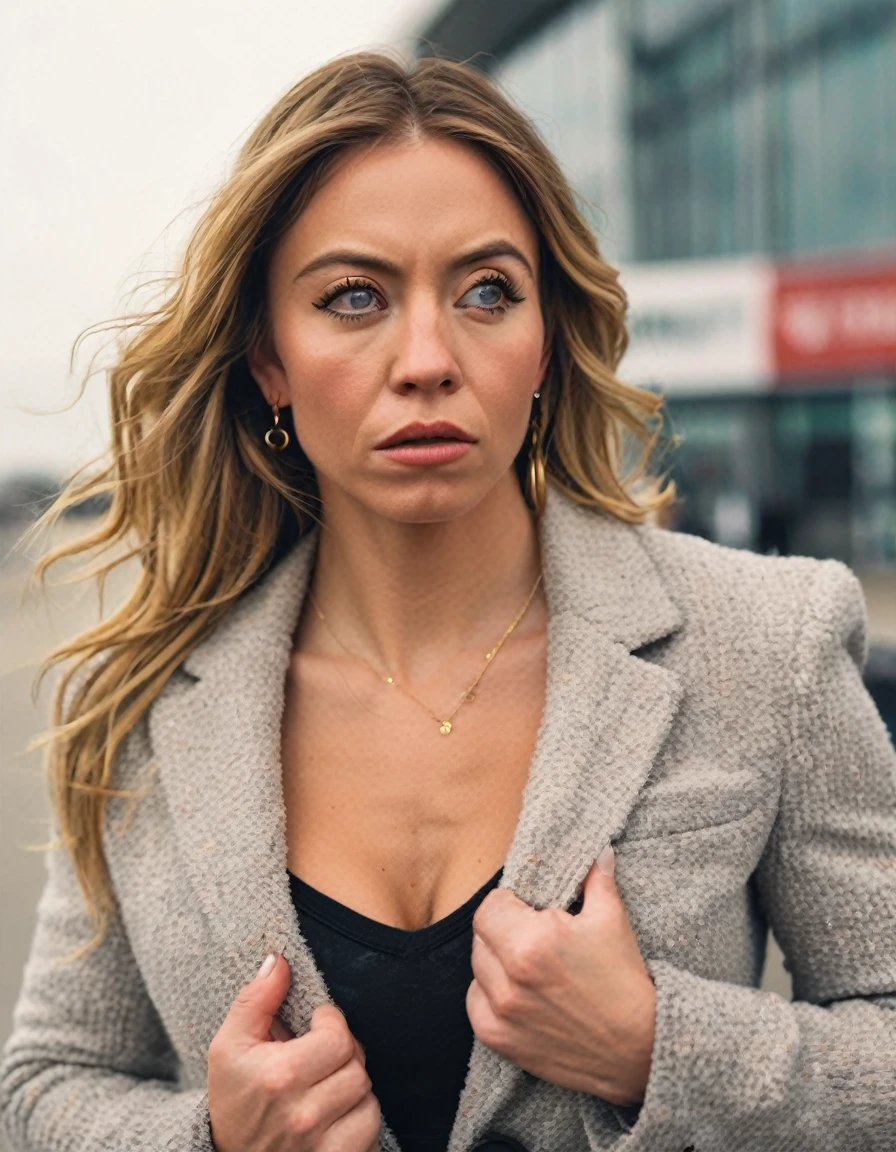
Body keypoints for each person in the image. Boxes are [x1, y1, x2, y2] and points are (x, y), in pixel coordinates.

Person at [2, 48, 895, 1152]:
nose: (426, 357)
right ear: (268, 361)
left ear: (546, 340)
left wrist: (660, 1048)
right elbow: (46, 1084)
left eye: (485, 292)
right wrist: (213, 1141)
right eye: (352, 298)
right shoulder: (136, 704)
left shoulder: (763, 643)